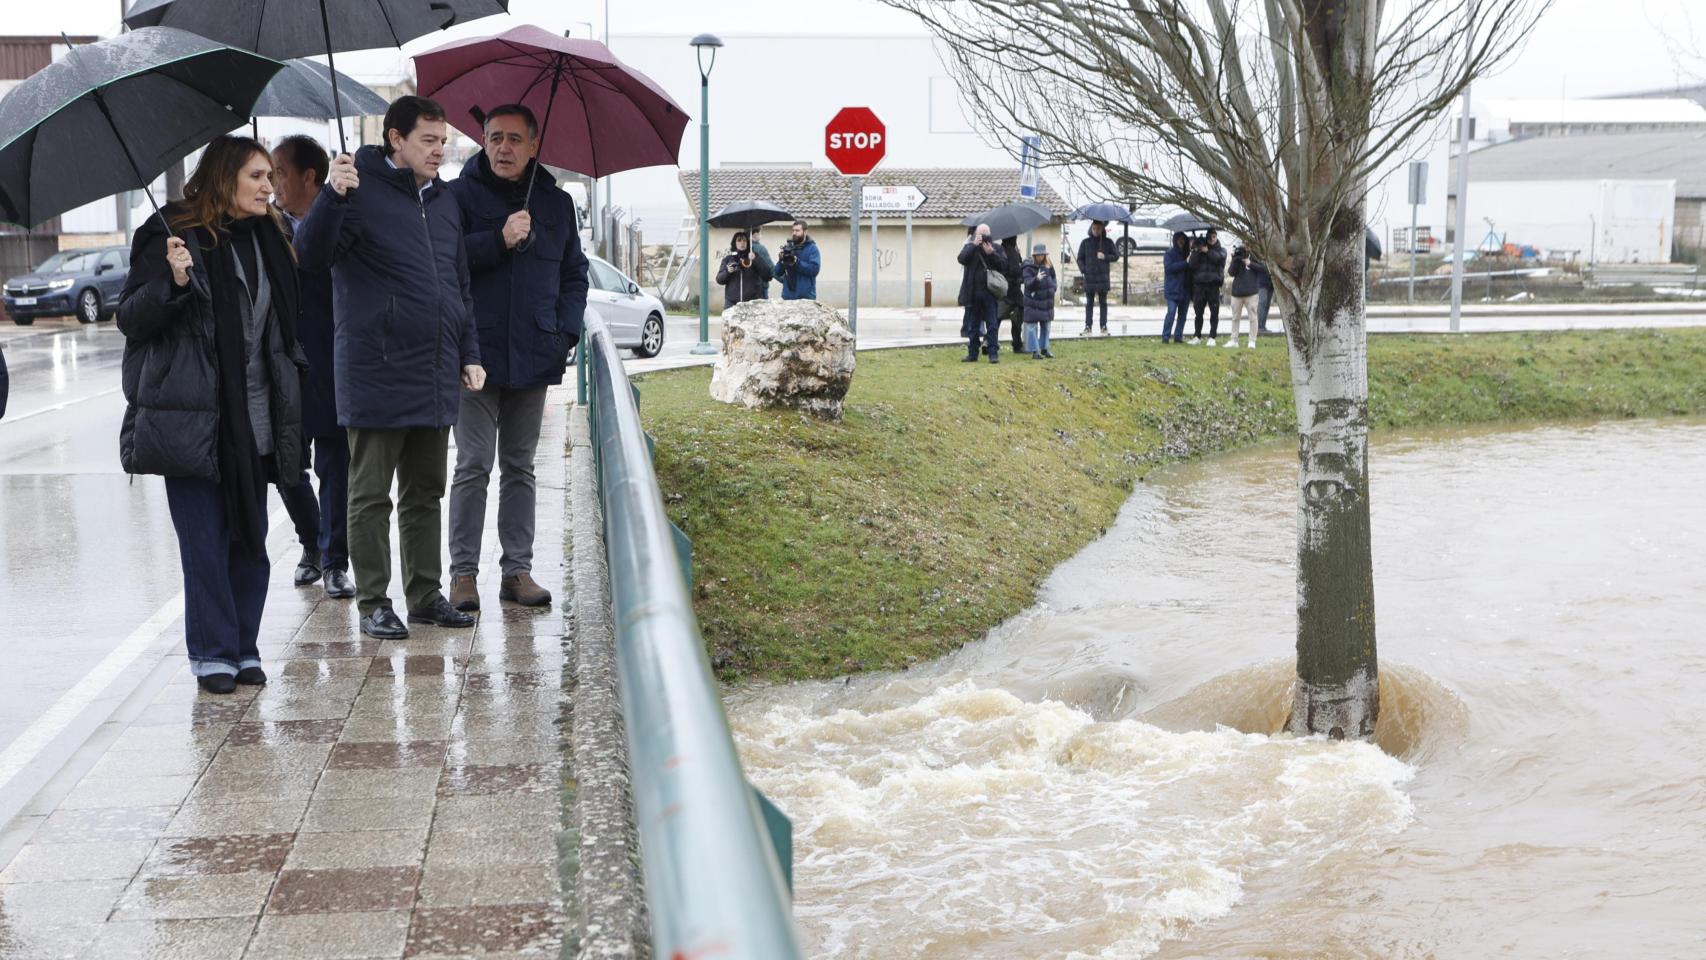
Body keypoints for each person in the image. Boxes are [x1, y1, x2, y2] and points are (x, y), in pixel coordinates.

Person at [118, 135, 306, 694]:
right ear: (224, 177)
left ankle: (244, 647)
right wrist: (173, 282)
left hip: (257, 413)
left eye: (270, 176)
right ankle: (213, 654)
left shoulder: (272, 235)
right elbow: (131, 319)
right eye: (256, 177)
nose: (269, 187)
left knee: (250, 539)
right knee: (205, 542)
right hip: (196, 418)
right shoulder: (170, 234)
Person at [295, 95, 484, 640]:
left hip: (434, 368)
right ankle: (374, 601)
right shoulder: (356, 188)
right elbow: (311, 254)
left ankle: (425, 594)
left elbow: (459, 287)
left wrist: (469, 352)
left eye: (443, 141)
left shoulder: (446, 202)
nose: (439, 150)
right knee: (370, 493)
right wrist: (332, 195)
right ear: (395, 138)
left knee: (426, 490)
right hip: (375, 367)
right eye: (429, 140)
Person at [445, 104, 588, 613]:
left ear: (533, 146)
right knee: (473, 462)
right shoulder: (457, 196)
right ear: (482, 141)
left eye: (513, 139)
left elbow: (574, 274)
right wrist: (498, 240)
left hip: (534, 353)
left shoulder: (557, 204)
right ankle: (463, 575)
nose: (503, 148)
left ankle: (517, 571)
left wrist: (563, 333)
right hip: (474, 354)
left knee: (520, 466)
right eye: (494, 137)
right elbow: (445, 262)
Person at [270, 134, 354, 601]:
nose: (275, 182)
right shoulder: (266, 225)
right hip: (284, 364)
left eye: (281, 171)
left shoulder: (339, 216)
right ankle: (311, 542)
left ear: (310, 177)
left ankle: (335, 559)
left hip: (332, 359)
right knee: (286, 465)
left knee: (334, 466)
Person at [957, 223, 1007, 363]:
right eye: (981, 234)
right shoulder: (970, 247)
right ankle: (973, 353)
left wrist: (992, 254)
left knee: (992, 325)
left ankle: (993, 353)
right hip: (972, 293)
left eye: (986, 234)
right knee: (973, 326)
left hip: (990, 294)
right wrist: (973, 245)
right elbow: (961, 259)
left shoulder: (996, 248)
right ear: (976, 235)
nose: (983, 237)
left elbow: (1004, 266)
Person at [1076, 220, 1116, 336]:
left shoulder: (1108, 242)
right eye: (1094, 228)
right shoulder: (1085, 243)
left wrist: (1105, 256)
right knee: (1089, 303)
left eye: (1098, 228)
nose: (1096, 231)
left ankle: (1103, 326)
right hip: (1090, 277)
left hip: (1103, 277)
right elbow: (1080, 258)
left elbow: (1116, 256)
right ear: (1091, 229)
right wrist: (1084, 269)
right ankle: (1088, 326)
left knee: (1103, 303)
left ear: (1102, 229)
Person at [1187, 229, 1226, 345]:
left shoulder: (1221, 250)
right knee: (1198, 312)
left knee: (1214, 312)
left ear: (1216, 237)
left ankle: (1212, 337)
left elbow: (1219, 260)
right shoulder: (1199, 248)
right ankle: (1197, 336)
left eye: (1214, 237)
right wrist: (1198, 250)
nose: (1212, 239)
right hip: (1200, 285)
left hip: (1213, 285)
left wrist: (1208, 251)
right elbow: (1192, 265)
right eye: (1210, 237)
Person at [715, 231, 769, 309]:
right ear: (735, 243)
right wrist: (728, 272)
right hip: (732, 303)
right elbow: (719, 280)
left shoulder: (754, 257)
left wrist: (756, 260)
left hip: (752, 303)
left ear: (748, 243)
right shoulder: (728, 259)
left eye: (744, 240)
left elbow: (767, 275)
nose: (742, 243)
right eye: (739, 240)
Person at [1020, 242, 1056, 359]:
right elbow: (1028, 284)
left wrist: (1053, 288)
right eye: (1038, 255)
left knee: (1046, 326)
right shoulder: (1028, 267)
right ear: (1034, 256)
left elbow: (1053, 277)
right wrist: (1037, 279)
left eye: (1042, 254)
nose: (1041, 257)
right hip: (1033, 303)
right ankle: (1035, 351)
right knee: (1031, 328)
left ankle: (1044, 348)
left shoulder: (1049, 264)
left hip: (1046, 302)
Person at [773, 220, 820, 300]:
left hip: (806, 297)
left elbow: (814, 270)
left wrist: (796, 262)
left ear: (805, 232)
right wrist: (781, 260)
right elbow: (777, 272)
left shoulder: (812, 249)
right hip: (788, 297)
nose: (794, 233)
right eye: (793, 230)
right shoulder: (788, 248)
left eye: (797, 231)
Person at [1225, 245, 1260, 348]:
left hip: (1252, 292)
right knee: (1235, 318)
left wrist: (1251, 264)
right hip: (1237, 293)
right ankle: (1234, 340)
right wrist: (1234, 259)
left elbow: (1264, 269)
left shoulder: (1256, 255)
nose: (1246, 246)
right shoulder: (1238, 256)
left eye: (1248, 244)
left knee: (1253, 317)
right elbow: (1231, 272)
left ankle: (1252, 341)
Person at [1161, 231, 1192, 344]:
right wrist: (1185, 263)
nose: (1181, 242)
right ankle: (1166, 336)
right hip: (1173, 290)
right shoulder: (1169, 254)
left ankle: (1178, 337)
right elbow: (1169, 268)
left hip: (1185, 290)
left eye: (1183, 239)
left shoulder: (1188, 253)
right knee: (1171, 312)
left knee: (1182, 316)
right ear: (1175, 240)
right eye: (1179, 239)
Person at [999, 236, 1024, 353]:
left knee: (996, 318)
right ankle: (1017, 344)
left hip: (1002, 290)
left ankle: (988, 342)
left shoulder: (999, 250)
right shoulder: (1011, 252)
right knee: (1018, 318)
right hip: (1013, 291)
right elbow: (1016, 271)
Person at [749, 224, 774, 300]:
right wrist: (784, 281)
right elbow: (771, 268)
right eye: (760, 233)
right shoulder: (760, 249)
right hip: (761, 286)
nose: (761, 235)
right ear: (755, 234)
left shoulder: (744, 248)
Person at [1254, 256, 1277, 335]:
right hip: (1262, 283)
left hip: (1271, 282)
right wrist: (1263, 267)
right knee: (1262, 303)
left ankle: (1263, 326)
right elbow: (1252, 264)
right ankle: (1258, 327)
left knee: (1267, 305)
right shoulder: (1257, 252)